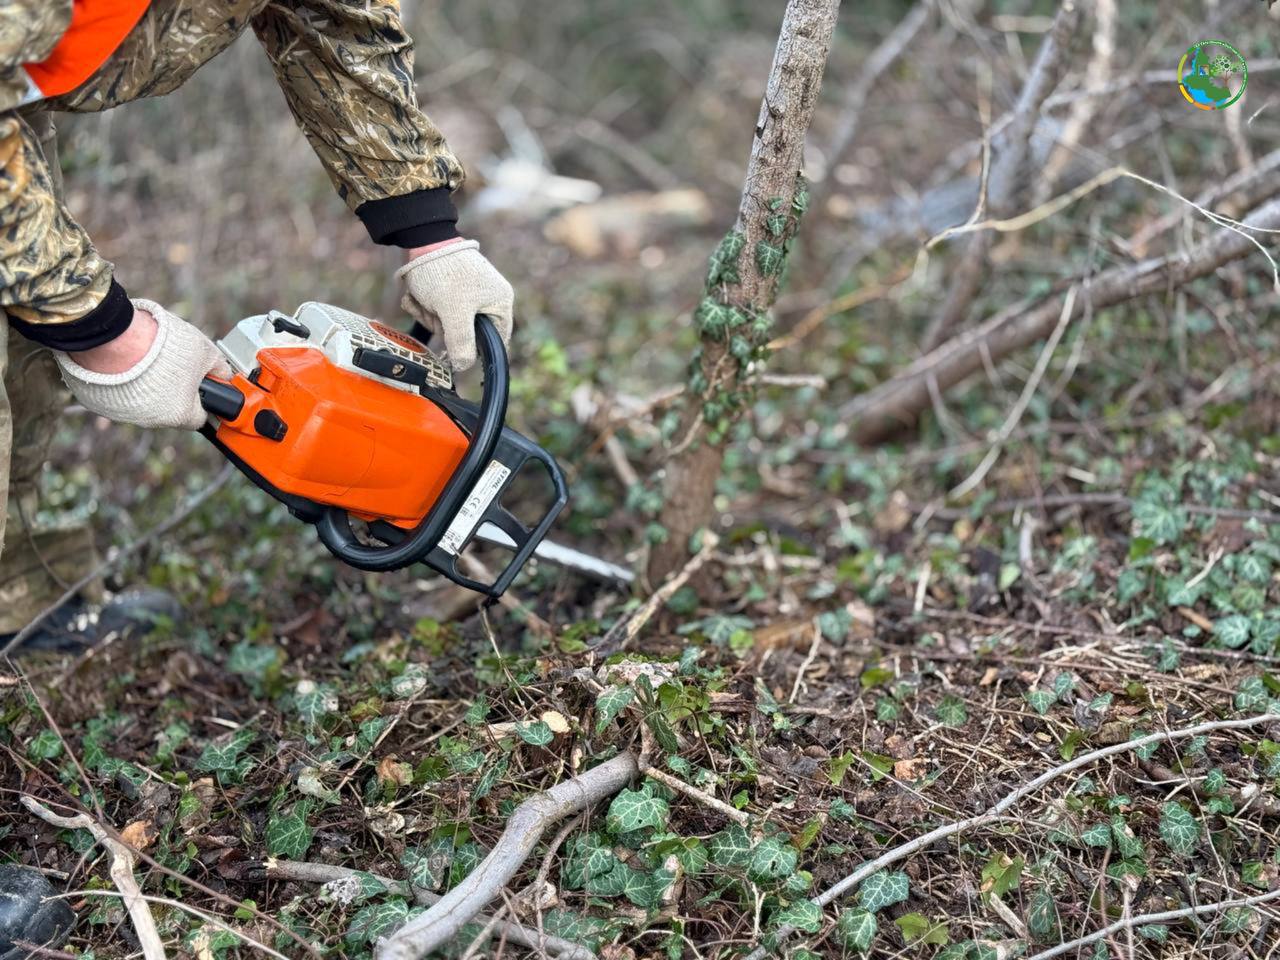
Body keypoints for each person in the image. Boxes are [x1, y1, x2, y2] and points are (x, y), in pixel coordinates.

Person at [0, 0, 514, 650]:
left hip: (17, 96)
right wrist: (103, 331)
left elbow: (340, 20)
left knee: (21, 340)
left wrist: (430, 234)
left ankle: (13, 599)